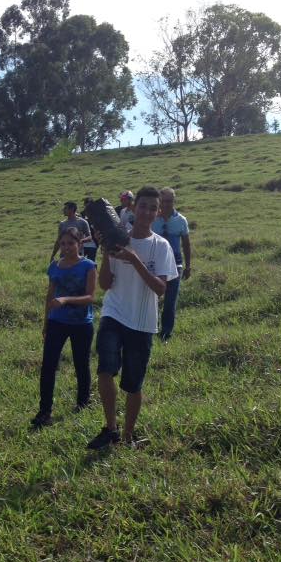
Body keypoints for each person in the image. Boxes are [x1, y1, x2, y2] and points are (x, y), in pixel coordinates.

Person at [88, 186, 177, 449]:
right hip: (113, 313)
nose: (147, 212)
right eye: (143, 206)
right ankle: (111, 429)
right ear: (133, 208)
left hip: (142, 321)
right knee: (105, 369)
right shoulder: (117, 237)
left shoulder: (161, 246)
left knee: (133, 384)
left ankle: (128, 437)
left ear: (158, 213)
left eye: (153, 208)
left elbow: (160, 289)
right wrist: (107, 252)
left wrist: (134, 259)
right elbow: (105, 285)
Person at [32, 227, 97, 428]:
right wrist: (45, 323)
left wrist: (66, 299)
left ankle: (83, 403)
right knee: (48, 366)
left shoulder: (88, 266)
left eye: (71, 243)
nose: (66, 247)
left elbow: (90, 297)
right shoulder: (55, 267)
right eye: (63, 244)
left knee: (81, 364)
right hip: (56, 322)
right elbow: (49, 296)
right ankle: (44, 411)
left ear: (79, 244)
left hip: (81, 324)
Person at [151, 187, 191, 342]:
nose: (166, 204)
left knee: (170, 302)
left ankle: (166, 333)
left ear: (174, 201)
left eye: (169, 201)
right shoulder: (153, 219)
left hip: (175, 265)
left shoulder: (181, 220)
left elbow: (186, 244)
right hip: (155, 266)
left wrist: (188, 266)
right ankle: (151, 329)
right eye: (163, 201)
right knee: (152, 300)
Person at [81, 197, 98, 261]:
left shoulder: (96, 215)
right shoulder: (82, 214)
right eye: (86, 205)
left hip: (93, 244)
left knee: (91, 262)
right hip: (82, 244)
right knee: (80, 262)